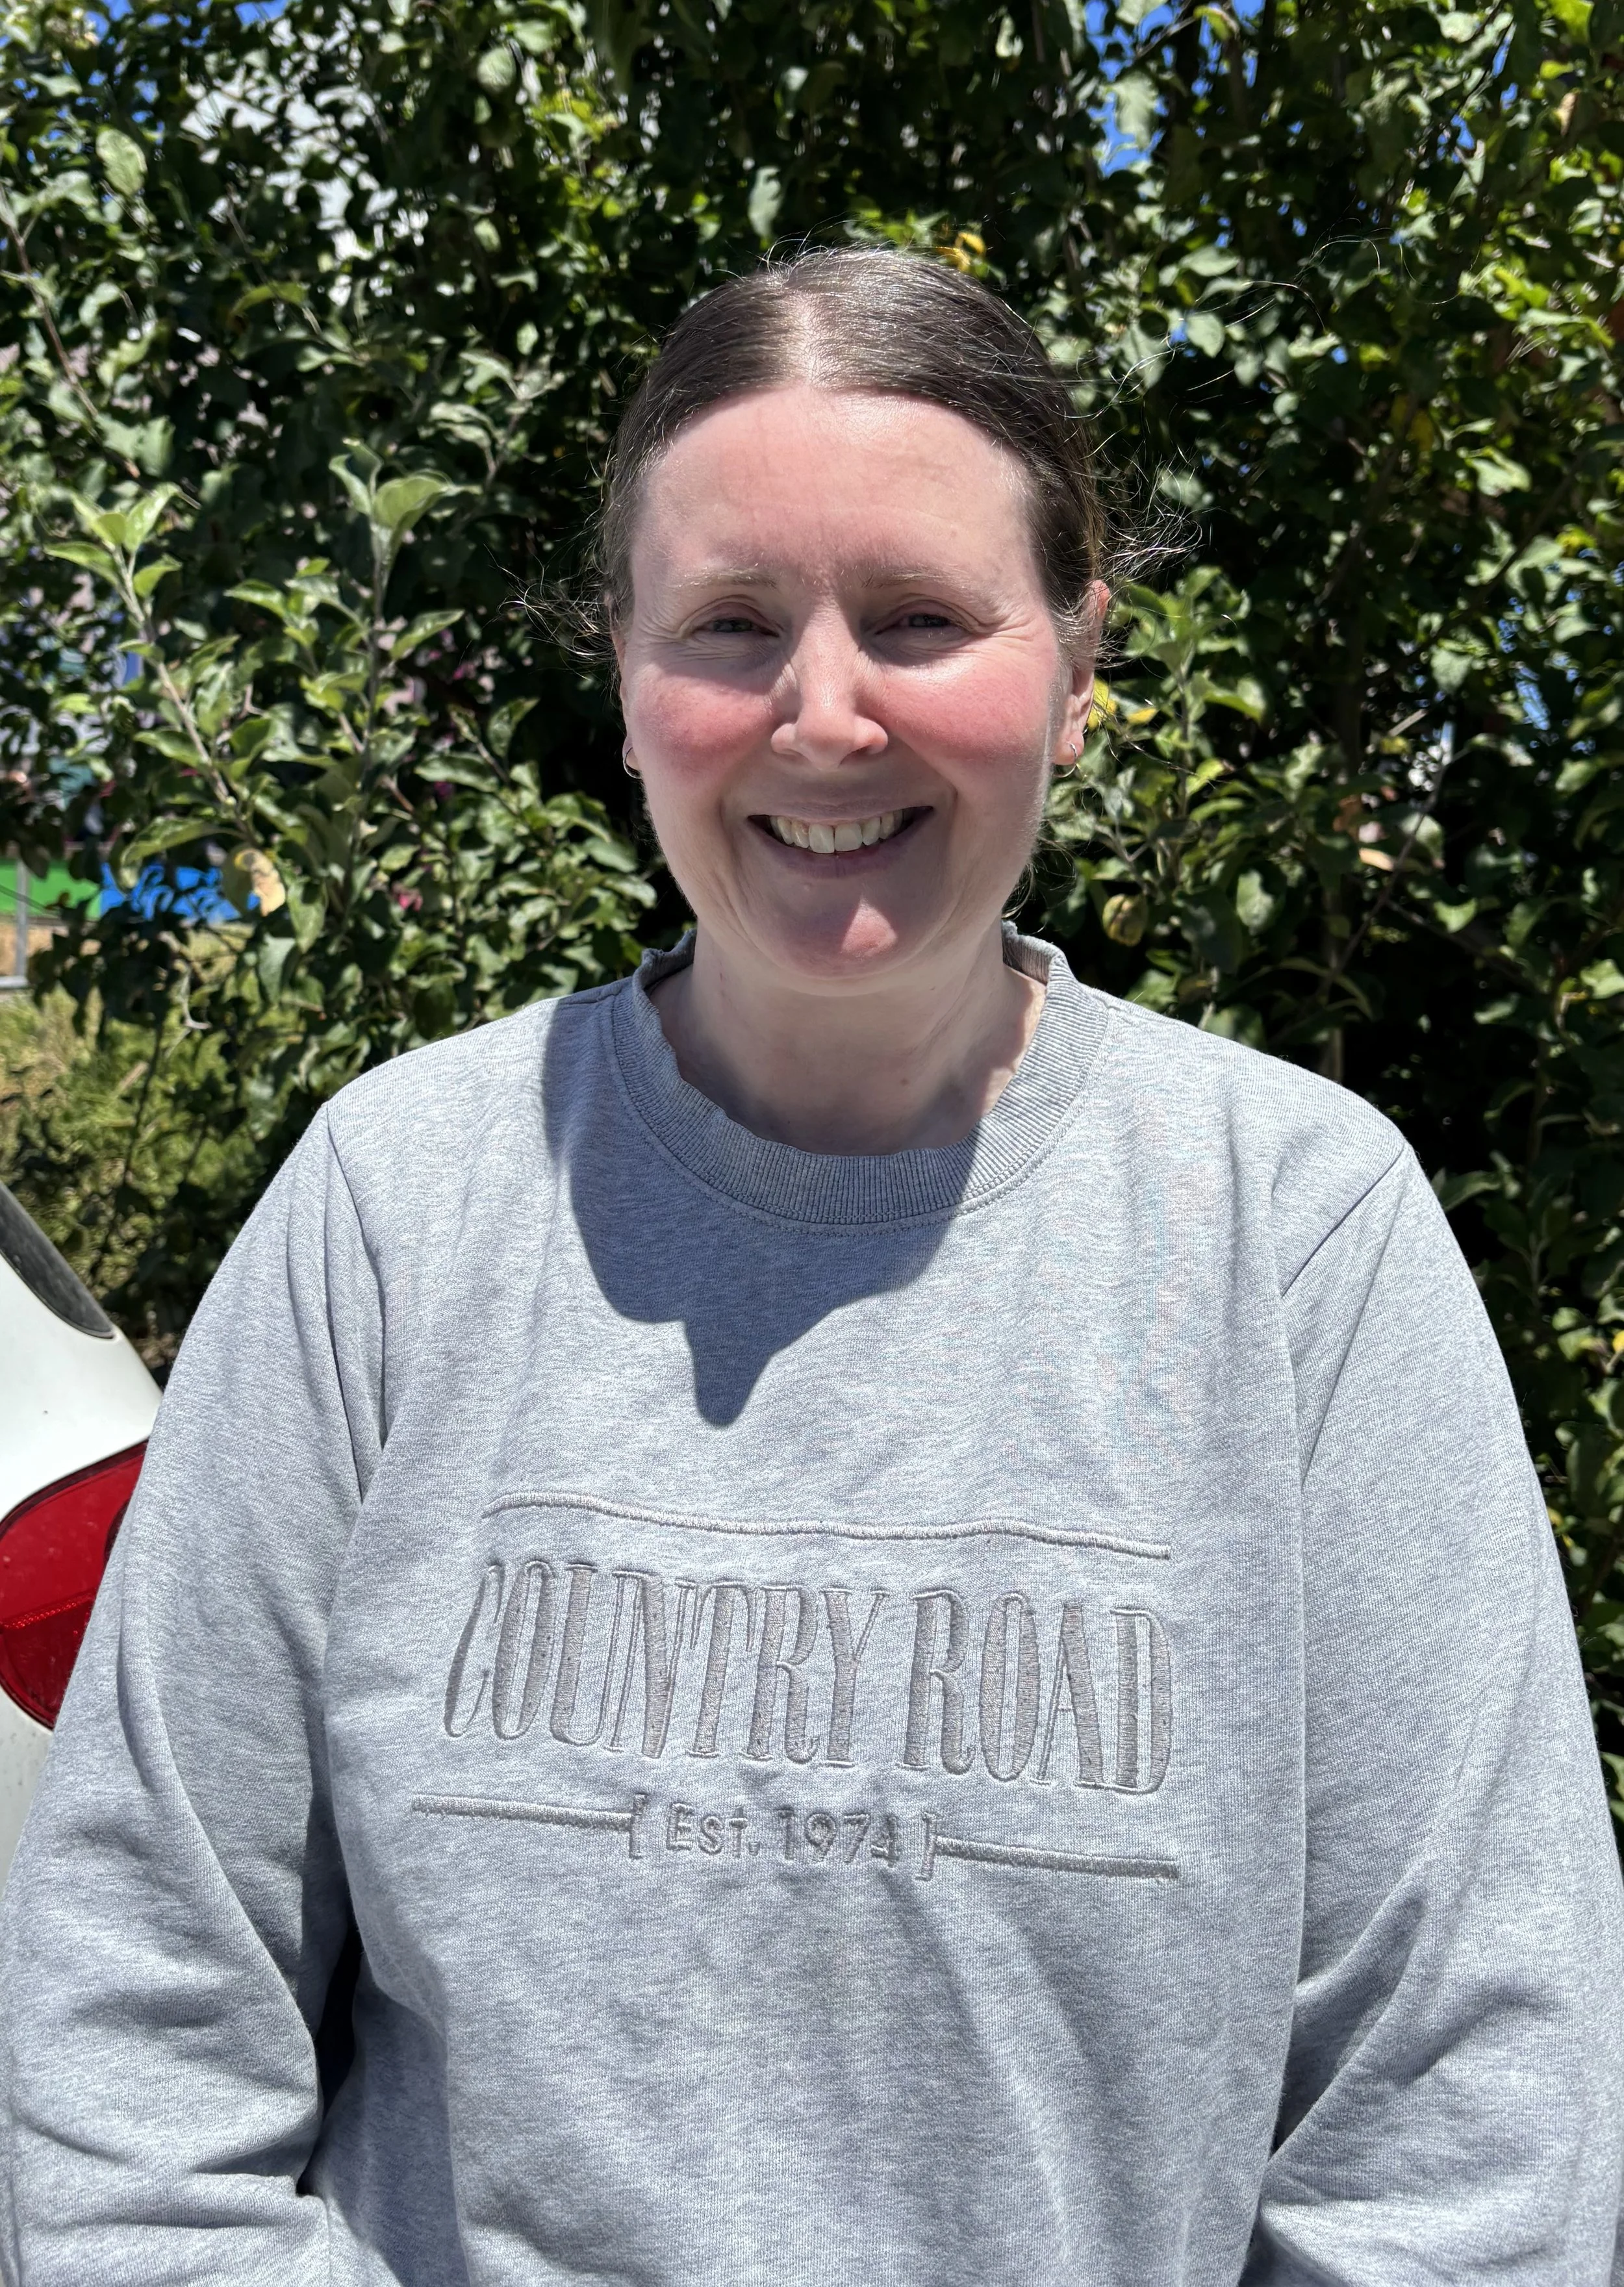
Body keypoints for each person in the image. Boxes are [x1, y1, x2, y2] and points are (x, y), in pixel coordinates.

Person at [1, 247, 1619, 2287]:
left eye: (924, 621)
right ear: (623, 676)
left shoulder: (1297, 1236)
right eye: (731, 626)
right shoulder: (399, 1211)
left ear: (1077, 658)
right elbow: (128, 2034)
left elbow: (1471, 2130)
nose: (825, 712)